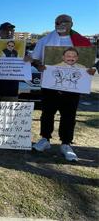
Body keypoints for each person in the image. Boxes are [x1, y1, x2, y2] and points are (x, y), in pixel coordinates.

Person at [31, 14, 95, 162]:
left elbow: (88, 65)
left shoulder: (81, 41)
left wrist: (90, 71)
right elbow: (35, 59)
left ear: (72, 24)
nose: (61, 24)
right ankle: (45, 139)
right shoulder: (45, 40)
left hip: (72, 87)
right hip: (50, 85)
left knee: (69, 115)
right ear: (54, 24)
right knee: (47, 113)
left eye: (65, 21)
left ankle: (66, 144)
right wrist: (38, 66)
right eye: (58, 22)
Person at [0, 22, 26, 101]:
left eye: (11, 30)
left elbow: (29, 63)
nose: (9, 32)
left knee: (9, 113)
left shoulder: (21, 47)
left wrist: (29, 59)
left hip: (11, 90)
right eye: (5, 30)